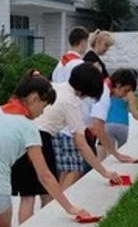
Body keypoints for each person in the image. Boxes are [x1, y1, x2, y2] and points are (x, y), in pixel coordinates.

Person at [0, 71, 92, 227]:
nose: (43, 112)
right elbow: (45, 176)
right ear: (33, 99)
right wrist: (69, 207)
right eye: (44, 106)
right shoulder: (28, 128)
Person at [40, 64, 127, 192]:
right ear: (84, 90)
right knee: (46, 191)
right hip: (41, 139)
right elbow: (82, 145)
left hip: (32, 136)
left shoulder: (55, 87)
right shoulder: (72, 103)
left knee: (38, 193)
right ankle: (59, 207)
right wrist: (105, 172)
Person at [103, 68, 138, 156]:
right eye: (126, 90)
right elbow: (135, 114)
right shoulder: (129, 96)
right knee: (123, 150)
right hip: (123, 126)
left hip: (107, 125)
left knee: (110, 152)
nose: (125, 93)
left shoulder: (107, 92)